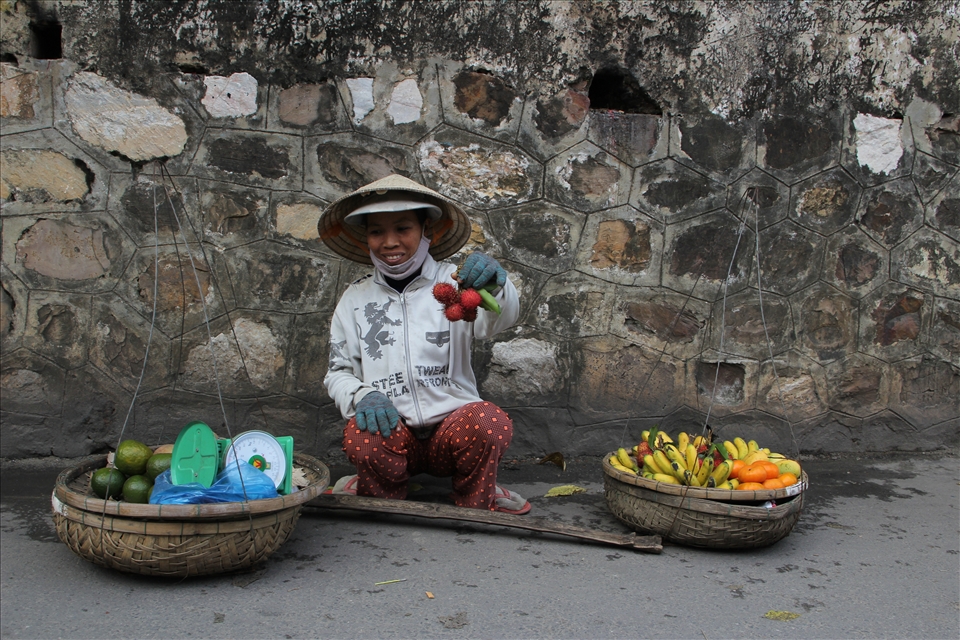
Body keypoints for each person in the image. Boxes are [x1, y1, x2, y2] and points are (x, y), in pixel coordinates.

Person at [317, 174, 530, 514]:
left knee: (489, 422)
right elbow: (338, 372)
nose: (390, 242)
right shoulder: (355, 298)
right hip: (393, 432)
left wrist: (496, 285)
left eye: (403, 228)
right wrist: (362, 395)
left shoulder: (455, 282)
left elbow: (497, 320)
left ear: (426, 229)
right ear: (366, 237)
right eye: (376, 232)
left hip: (453, 431)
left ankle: (479, 493)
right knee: (362, 436)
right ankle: (379, 490)